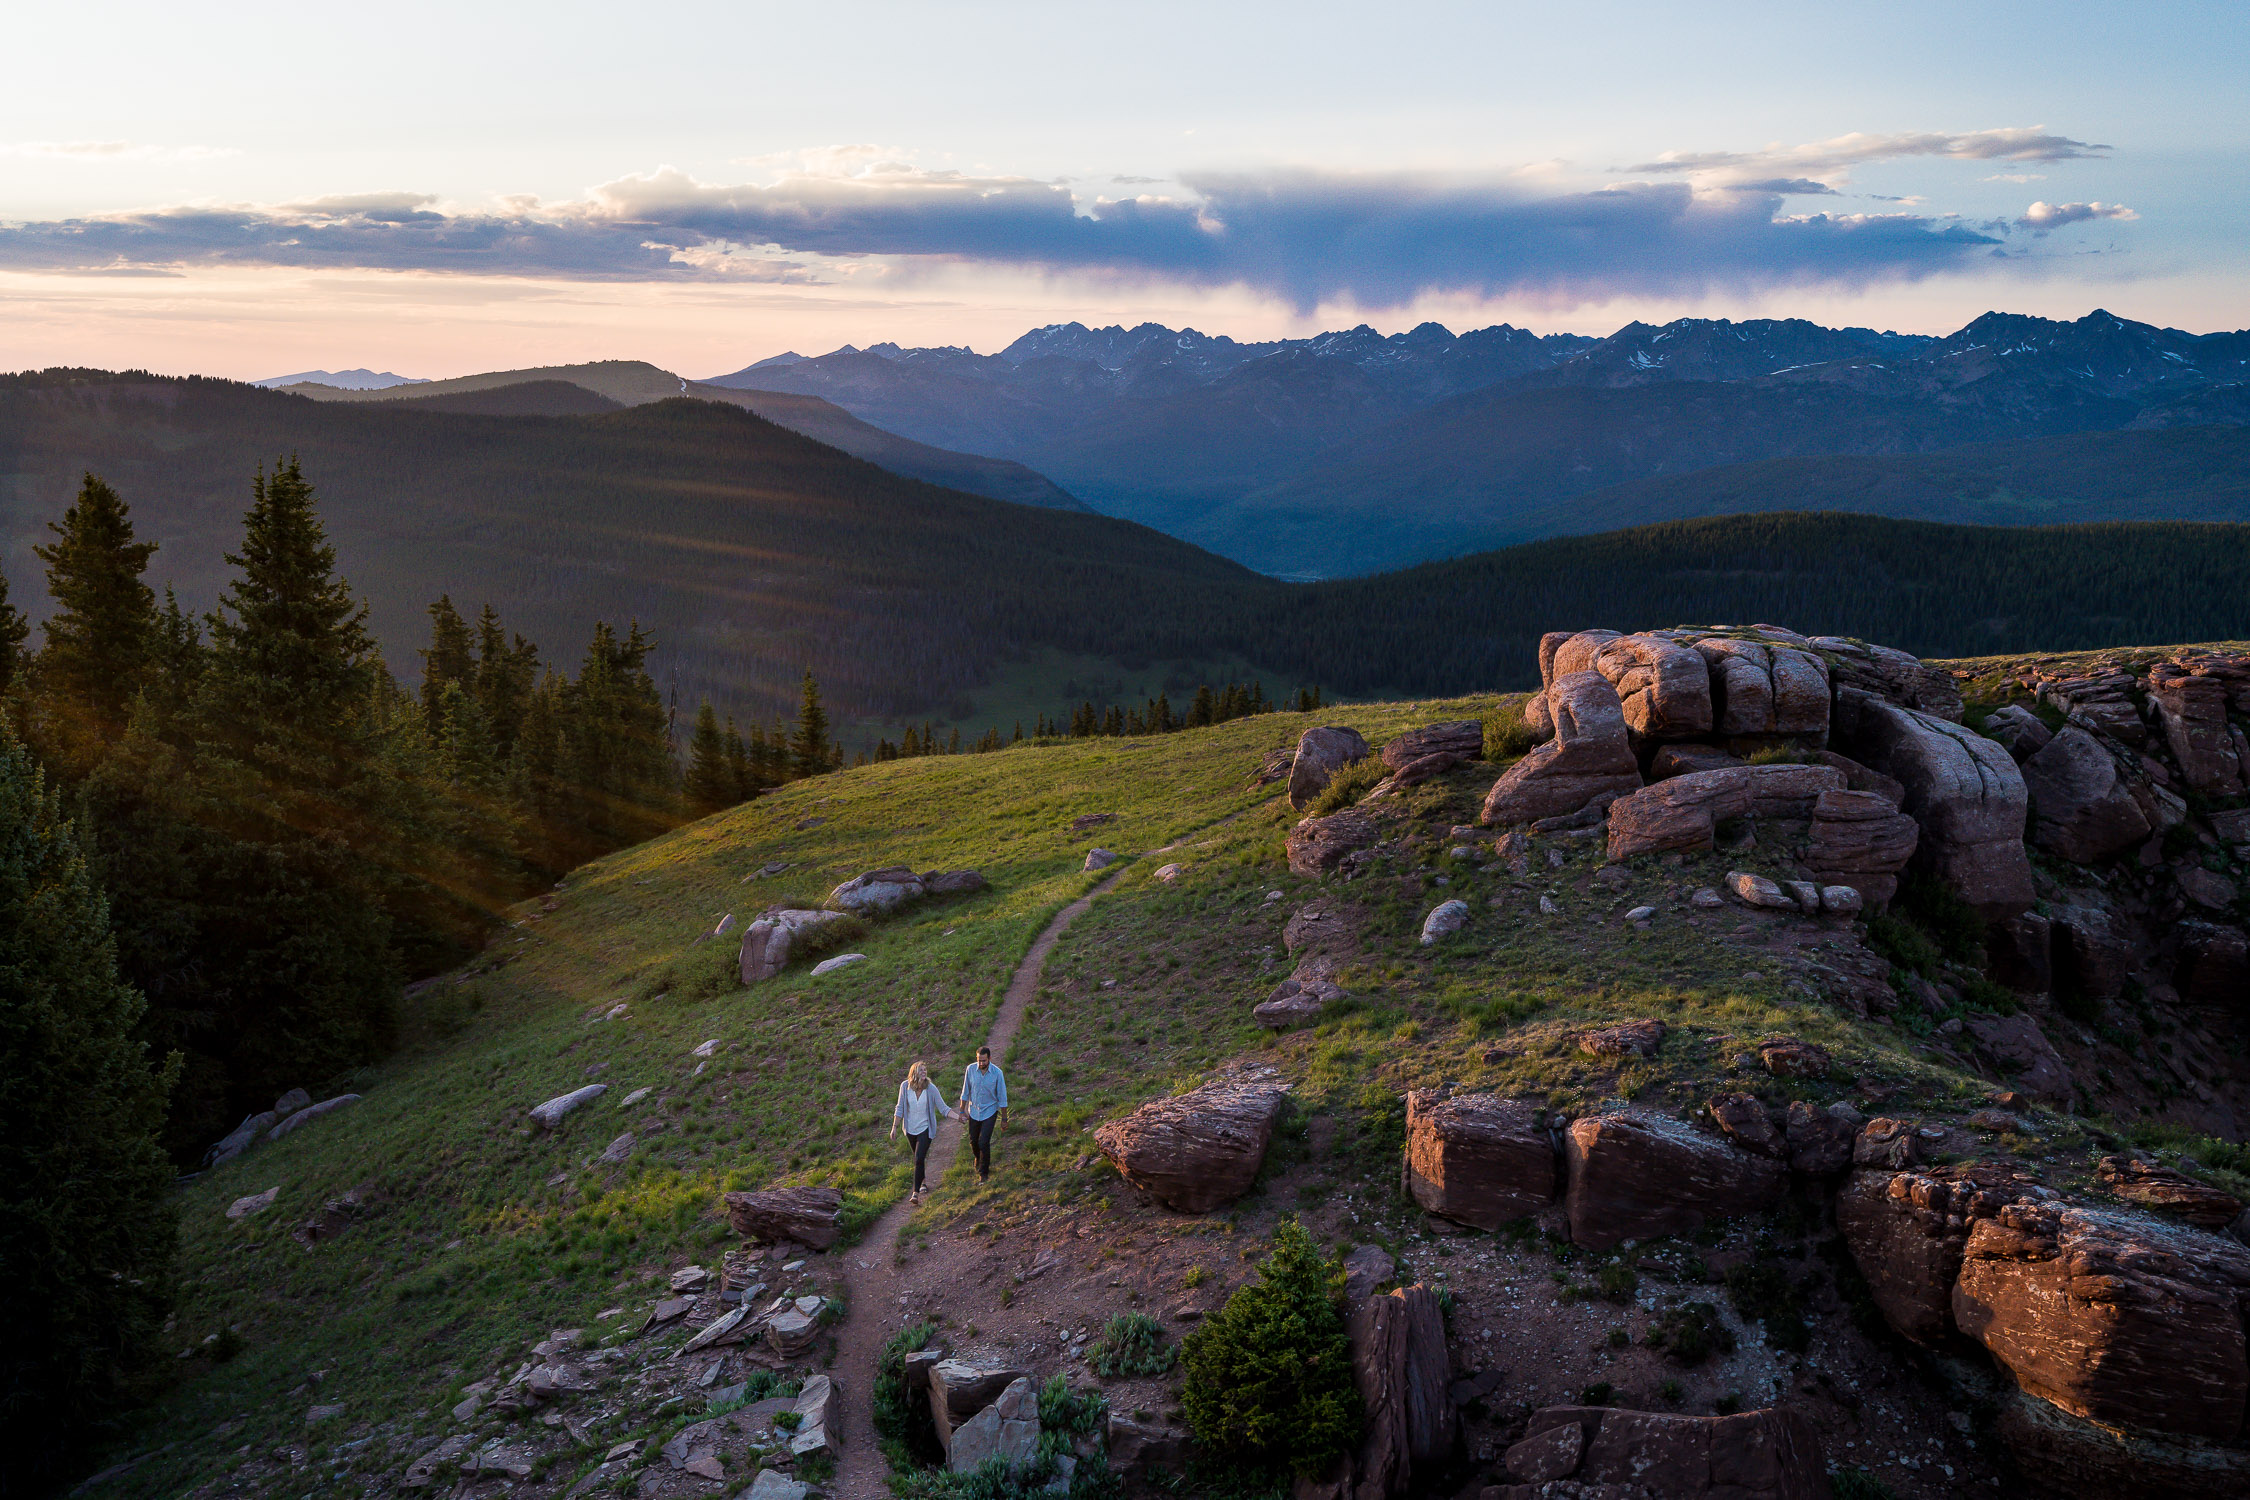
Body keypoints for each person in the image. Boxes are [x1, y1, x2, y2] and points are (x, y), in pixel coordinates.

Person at [889, 1060, 955, 1199]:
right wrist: (894, 1127)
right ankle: (923, 1181)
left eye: (925, 1070)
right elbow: (899, 1108)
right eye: (921, 1070)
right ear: (914, 1073)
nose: (924, 1072)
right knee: (918, 1158)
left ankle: (915, 1193)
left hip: (925, 1128)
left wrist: (958, 1117)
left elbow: (943, 1108)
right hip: (910, 1129)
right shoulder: (905, 1086)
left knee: (919, 1158)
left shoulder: (930, 1088)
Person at [957, 1044, 1009, 1182]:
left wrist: (1004, 1119)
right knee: (973, 1141)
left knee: (983, 1142)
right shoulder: (970, 1069)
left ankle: (983, 1173)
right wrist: (962, 1111)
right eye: (979, 1060)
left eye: (984, 1061)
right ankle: (978, 1157)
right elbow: (965, 1092)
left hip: (990, 1111)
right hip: (974, 1111)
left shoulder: (998, 1073)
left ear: (990, 1059)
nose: (981, 1063)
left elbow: (1002, 1097)